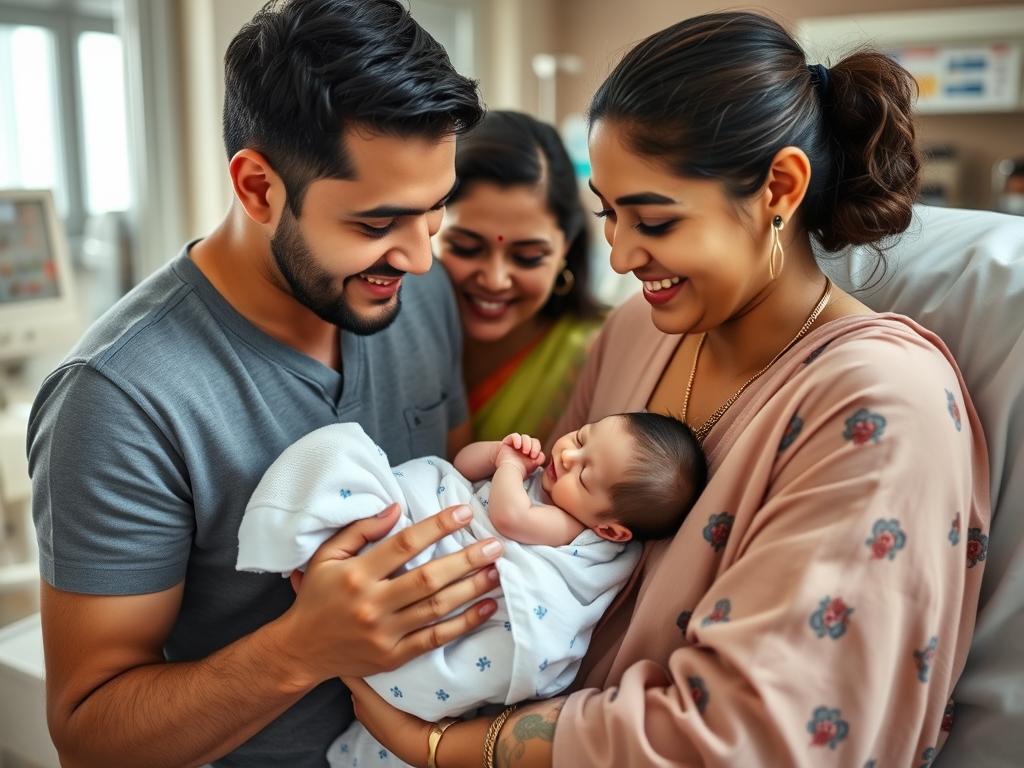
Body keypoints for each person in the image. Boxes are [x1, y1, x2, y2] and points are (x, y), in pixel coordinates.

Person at [338, 11, 991, 768]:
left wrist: (439, 745)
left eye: (652, 219)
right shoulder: (637, 335)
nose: (618, 257)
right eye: (609, 216)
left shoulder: (879, 405)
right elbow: (534, 541)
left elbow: (757, 733)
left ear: (779, 188)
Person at [25, 2, 509, 766]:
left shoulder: (420, 293)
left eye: (435, 211)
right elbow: (91, 735)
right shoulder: (117, 399)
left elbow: (452, 499)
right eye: (377, 223)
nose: (419, 257)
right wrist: (301, 648)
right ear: (257, 188)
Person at [233, 413, 705, 768]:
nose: (568, 456)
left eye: (585, 473)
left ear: (612, 530)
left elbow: (508, 518)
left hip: (478, 570)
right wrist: (499, 450)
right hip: (452, 521)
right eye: (582, 438)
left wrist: (508, 468)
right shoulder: (557, 482)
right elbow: (462, 465)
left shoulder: (570, 526)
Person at [438, 110, 605, 445]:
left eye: (527, 257)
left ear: (564, 249)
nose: (495, 279)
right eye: (466, 247)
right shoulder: (391, 332)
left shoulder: (599, 353)